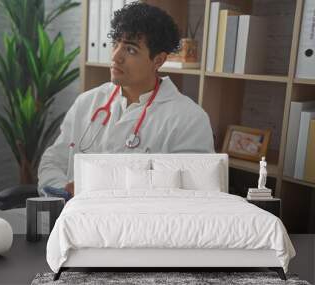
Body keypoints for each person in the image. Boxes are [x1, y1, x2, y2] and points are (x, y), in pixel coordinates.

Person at [38, 2, 214, 200]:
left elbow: (190, 195)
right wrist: (62, 190)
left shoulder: (189, 119)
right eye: (115, 44)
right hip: (75, 217)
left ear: (158, 60)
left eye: (130, 50)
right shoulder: (87, 103)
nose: (115, 56)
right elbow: (53, 162)